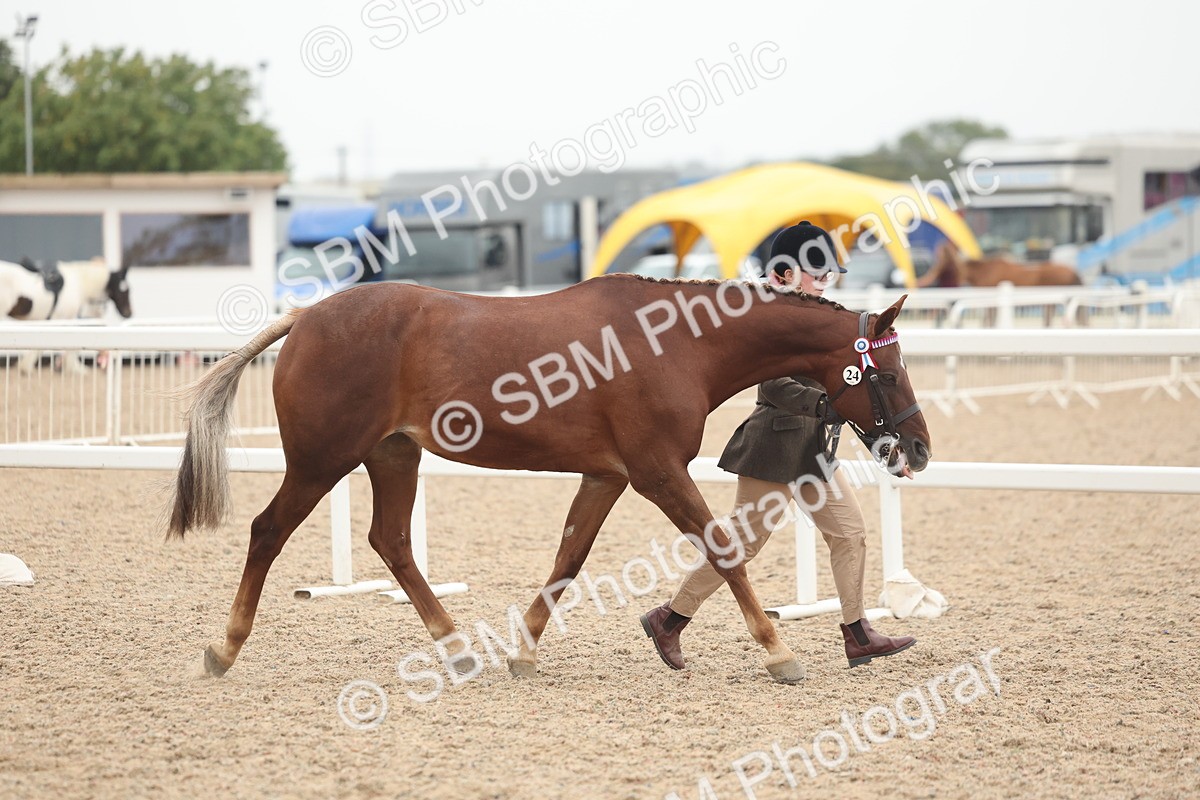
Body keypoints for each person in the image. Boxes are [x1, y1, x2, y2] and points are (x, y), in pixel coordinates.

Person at [639, 221, 916, 671]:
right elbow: (775, 385)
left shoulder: (828, 316)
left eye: (829, 270)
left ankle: (857, 632)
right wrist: (828, 406)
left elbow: (856, 390)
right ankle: (670, 618)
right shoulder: (768, 316)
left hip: (817, 451)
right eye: (816, 270)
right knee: (744, 544)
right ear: (785, 273)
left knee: (850, 532)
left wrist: (885, 448)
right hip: (777, 447)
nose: (826, 278)